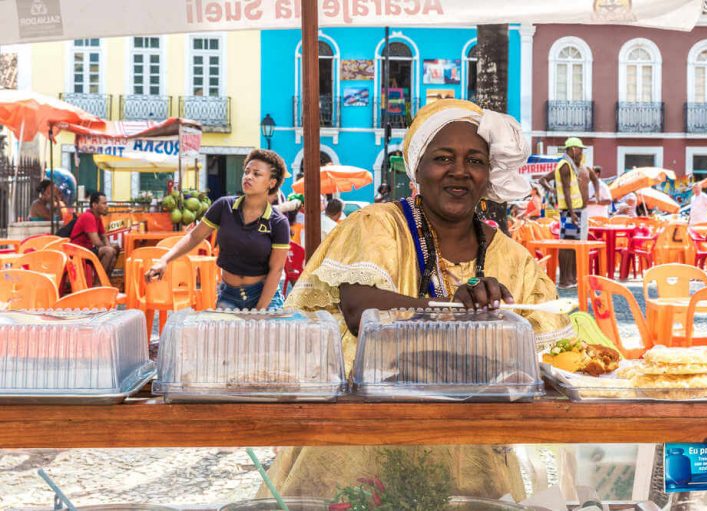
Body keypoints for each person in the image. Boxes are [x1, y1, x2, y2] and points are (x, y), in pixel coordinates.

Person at [262, 99, 573, 500]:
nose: (459, 171)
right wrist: (457, 314)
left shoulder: (514, 260)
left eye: (475, 160)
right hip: (359, 447)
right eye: (443, 158)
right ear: (417, 167)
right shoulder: (379, 226)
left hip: (470, 454)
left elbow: (541, 348)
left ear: (488, 174)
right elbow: (361, 308)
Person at [145, 149, 290, 310]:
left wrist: (259, 310)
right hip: (229, 296)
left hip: (265, 297)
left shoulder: (278, 222)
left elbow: (276, 270)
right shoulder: (223, 206)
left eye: (256, 174)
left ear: (271, 183)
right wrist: (164, 260)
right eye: (246, 172)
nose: (248, 176)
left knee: (264, 335)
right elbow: (194, 237)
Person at [539, 137, 600, 287]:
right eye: (580, 150)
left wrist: (597, 194)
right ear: (573, 149)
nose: (582, 153)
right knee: (567, 245)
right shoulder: (565, 166)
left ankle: (573, 278)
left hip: (580, 210)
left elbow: (595, 180)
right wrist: (571, 212)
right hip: (570, 212)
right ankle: (565, 280)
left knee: (576, 245)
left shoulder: (582, 168)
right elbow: (564, 189)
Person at [70, 192, 120, 276]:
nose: (106, 206)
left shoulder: (97, 217)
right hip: (77, 251)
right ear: (94, 205)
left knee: (115, 247)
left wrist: (110, 247)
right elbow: (96, 242)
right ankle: (98, 283)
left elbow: (104, 237)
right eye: (104, 203)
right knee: (108, 251)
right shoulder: (88, 216)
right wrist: (109, 249)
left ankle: (105, 280)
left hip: (87, 249)